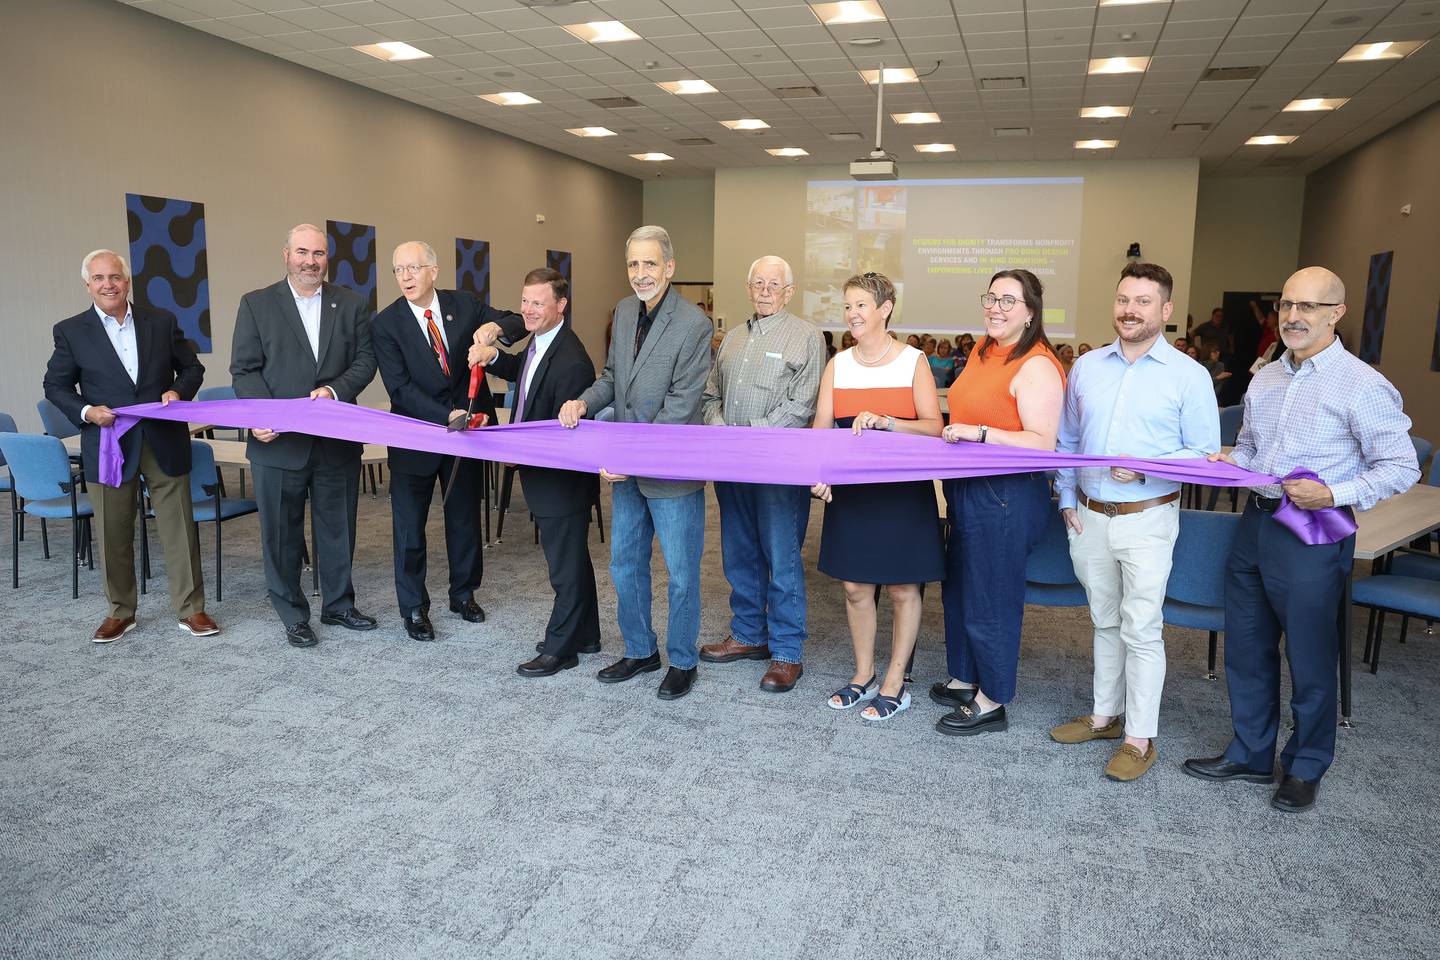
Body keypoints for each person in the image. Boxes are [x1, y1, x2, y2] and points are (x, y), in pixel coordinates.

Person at [1184, 266, 1419, 812]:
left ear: (1336, 313)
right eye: (1287, 305)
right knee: (1247, 644)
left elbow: (1401, 466)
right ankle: (1250, 752)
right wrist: (1228, 460)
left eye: (1308, 307)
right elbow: (1251, 450)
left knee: (1310, 657)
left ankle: (1306, 764)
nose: (1293, 316)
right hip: (1255, 524)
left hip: (1312, 533)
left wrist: (1335, 493)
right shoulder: (1265, 375)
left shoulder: (1362, 384)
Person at [1051, 262, 1220, 781]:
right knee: (1103, 620)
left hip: (1147, 518)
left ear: (1165, 311)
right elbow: (1068, 441)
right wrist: (1065, 499)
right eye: (1124, 298)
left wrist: (1149, 466)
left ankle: (1138, 737)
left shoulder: (1188, 376)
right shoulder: (1087, 367)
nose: (1130, 309)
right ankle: (1104, 715)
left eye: (1144, 301)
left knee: (1141, 628)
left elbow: (1206, 455)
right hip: (1089, 516)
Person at [558, 226, 712, 700]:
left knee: (682, 573)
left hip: (671, 471)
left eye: (649, 264)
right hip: (626, 472)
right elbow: (611, 377)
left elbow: (682, 405)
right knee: (625, 565)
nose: (640, 274)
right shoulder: (624, 312)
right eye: (632, 264)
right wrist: (583, 403)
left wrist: (627, 455)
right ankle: (641, 650)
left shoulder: (694, 324)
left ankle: (682, 660)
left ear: (670, 267)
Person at [42, 249, 218, 643]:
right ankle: (120, 611)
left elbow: (192, 367)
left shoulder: (161, 321)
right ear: (88, 285)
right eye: (100, 278)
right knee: (112, 531)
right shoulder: (71, 330)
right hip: (108, 442)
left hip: (163, 438)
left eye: (115, 277)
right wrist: (87, 411)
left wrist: (177, 391)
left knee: (179, 528)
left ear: (127, 280)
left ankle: (192, 609)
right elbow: (55, 385)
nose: (109, 285)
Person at [230, 223, 378, 648]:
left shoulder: (350, 304)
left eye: (317, 253)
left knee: (338, 528)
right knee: (282, 534)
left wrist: (334, 390)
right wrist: (262, 414)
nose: (309, 261)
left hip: (335, 439)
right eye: (302, 252)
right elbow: (244, 368)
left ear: (326, 258)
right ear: (286, 255)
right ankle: (292, 614)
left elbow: (366, 360)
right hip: (277, 442)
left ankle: (338, 606)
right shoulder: (257, 304)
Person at [371, 241, 524, 642]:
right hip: (415, 437)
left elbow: (519, 320)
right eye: (398, 270)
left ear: (433, 271)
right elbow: (399, 388)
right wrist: (446, 416)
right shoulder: (385, 324)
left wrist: (496, 329)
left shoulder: (465, 304)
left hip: (469, 438)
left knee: (464, 519)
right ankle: (414, 609)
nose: (405, 276)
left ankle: (463, 594)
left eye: (413, 268)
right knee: (409, 527)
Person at [933, 269, 1064, 735]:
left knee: (992, 595)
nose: (996, 307)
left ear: (1030, 312)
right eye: (991, 297)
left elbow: (1044, 443)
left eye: (1009, 300)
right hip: (968, 486)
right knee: (961, 585)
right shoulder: (985, 352)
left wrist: (981, 434)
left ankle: (992, 700)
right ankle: (966, 677)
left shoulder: (1038, 365)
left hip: (1007, 492)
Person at [811, 273, 944, 721]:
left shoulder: (913, 361)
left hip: (904, 491)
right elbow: (821, 432)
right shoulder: (838, 365)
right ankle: (863, 675)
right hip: (853, 491)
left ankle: (895, 681)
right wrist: (821, 472)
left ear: (885, 309)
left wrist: (889, 422)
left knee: (904, 588)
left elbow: (934, 427)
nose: (852, 314)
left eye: (862, 305)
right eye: (848, 306)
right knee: (854, 588)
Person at [700, 256, 825, 693]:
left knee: (782, 558)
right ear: (749, 288)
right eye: (759, 283)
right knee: (738, 553)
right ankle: (749, 634)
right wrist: (721, 432)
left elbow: (801, 406)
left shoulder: (807, 338)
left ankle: (788, 652)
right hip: (731, 466)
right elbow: (710, 394)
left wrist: (746, 438)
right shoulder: (731, 339)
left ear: (789, 292)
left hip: (777, 469)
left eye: (775, 284)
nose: (766, 290)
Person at [471, 269, 601, 677]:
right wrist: (495, 359)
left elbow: (559, 431)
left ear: (560, 306)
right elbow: (527, 377)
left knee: (563, 566)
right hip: (545, 476)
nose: (527, 310)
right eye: (525, 301)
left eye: (537, 302)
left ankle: (562, 648)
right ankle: (588, 634)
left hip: (560, 479)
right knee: (572, 557)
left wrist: (511, 445)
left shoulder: (573, 360)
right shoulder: (541, 340)